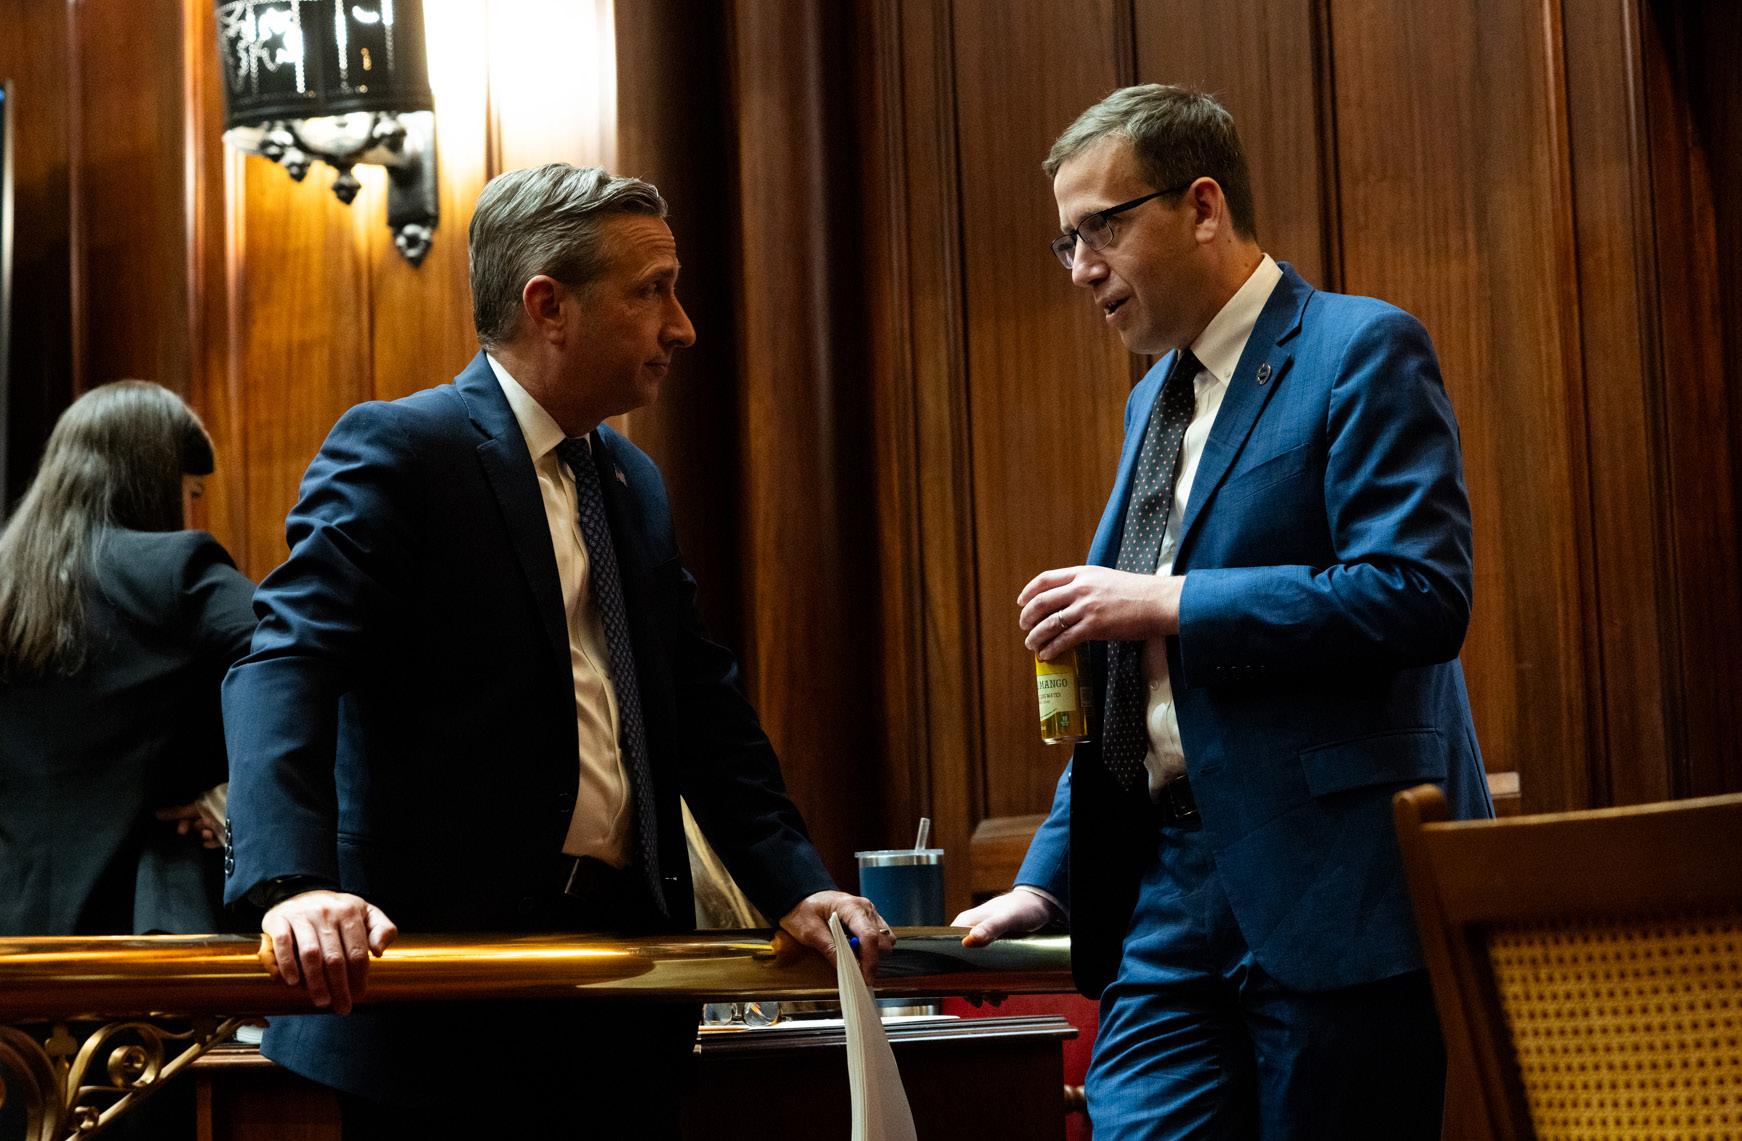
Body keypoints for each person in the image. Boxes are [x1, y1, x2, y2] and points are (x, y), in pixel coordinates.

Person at [220, 163, 894, 1136]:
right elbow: (285, 661)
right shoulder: (404, 451)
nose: (682, 326)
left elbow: (702, 709)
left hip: (622, 998)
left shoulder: (629, 479)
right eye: (652, 290)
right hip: (444, 1004)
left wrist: (794, 882)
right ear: (548, 306)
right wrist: (295, 885)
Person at [951, 85, 1494, 1138]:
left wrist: (1170, 599)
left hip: (1335, 895)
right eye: (1065, 242)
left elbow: (1418, 595)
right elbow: (1143, 694)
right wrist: (1047, 882)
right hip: (1163, 897)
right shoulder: (1149, 404)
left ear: (1202, 206)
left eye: (1100, 229)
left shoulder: (1359, 348)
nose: (1080, 268)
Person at [0, 380, 254, 937]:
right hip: (144, 921)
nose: (191, 510)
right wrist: (237, 802)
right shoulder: (175, 569)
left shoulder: (7, 585)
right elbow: (292, 661)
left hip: (12, 932)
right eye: (192, 492)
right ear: (156, 479)